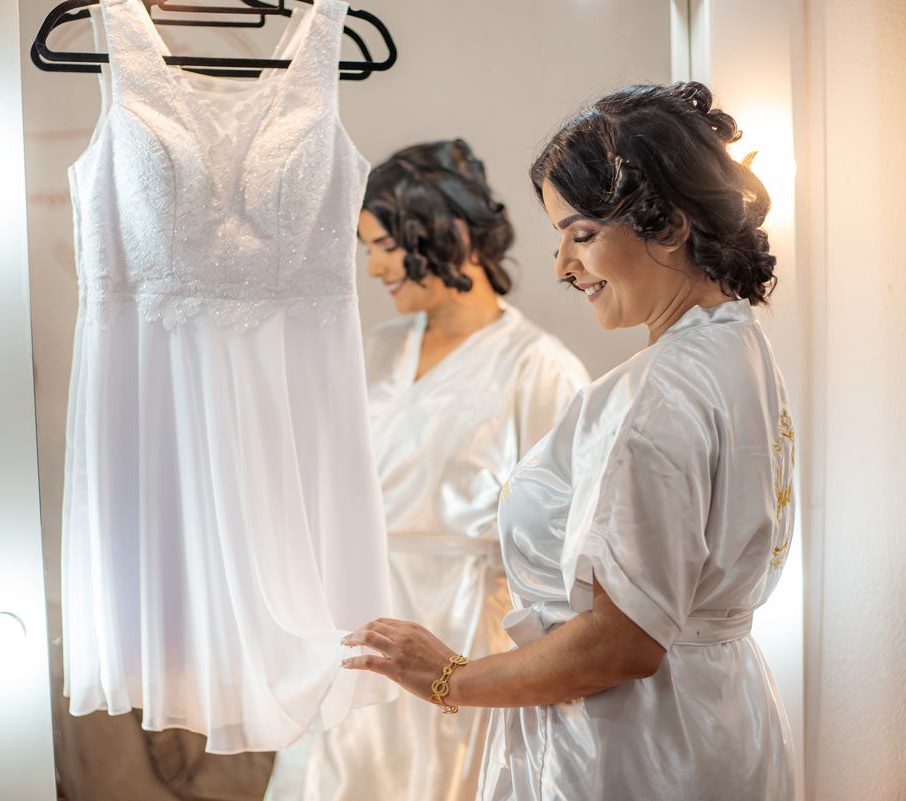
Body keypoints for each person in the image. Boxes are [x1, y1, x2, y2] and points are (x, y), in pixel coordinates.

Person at [340, 83, 797, 801]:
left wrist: (448, 677)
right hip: (717, 716)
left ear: (670, 225)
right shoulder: (739, 346)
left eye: (580, 235)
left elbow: (622, 643)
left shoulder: (655, 396)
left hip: (636, 745)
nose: (560, 265)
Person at [265, 140, 590, 801]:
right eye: (368, 248)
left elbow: (565, 549)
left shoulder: (540, 369)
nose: (375, 267)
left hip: (461, 639)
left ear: (453, 234)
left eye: (386, 244)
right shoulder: (374, 351)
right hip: (357, 629)